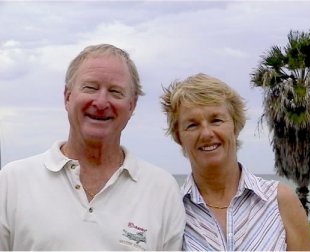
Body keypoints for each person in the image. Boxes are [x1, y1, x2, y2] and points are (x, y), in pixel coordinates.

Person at [0, 44, 185, 251]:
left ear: (132, 106)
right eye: (90, 88)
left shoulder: (161, 190)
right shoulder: (12, 181)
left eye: (115, 92)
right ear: (67, 97)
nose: (101, 101)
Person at [160, 73, 310, 251]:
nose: (207, 133)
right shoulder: (170, 210)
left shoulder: (278, 200)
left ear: (235, 125)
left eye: (216, 120)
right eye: (192, 125)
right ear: (179, 136)